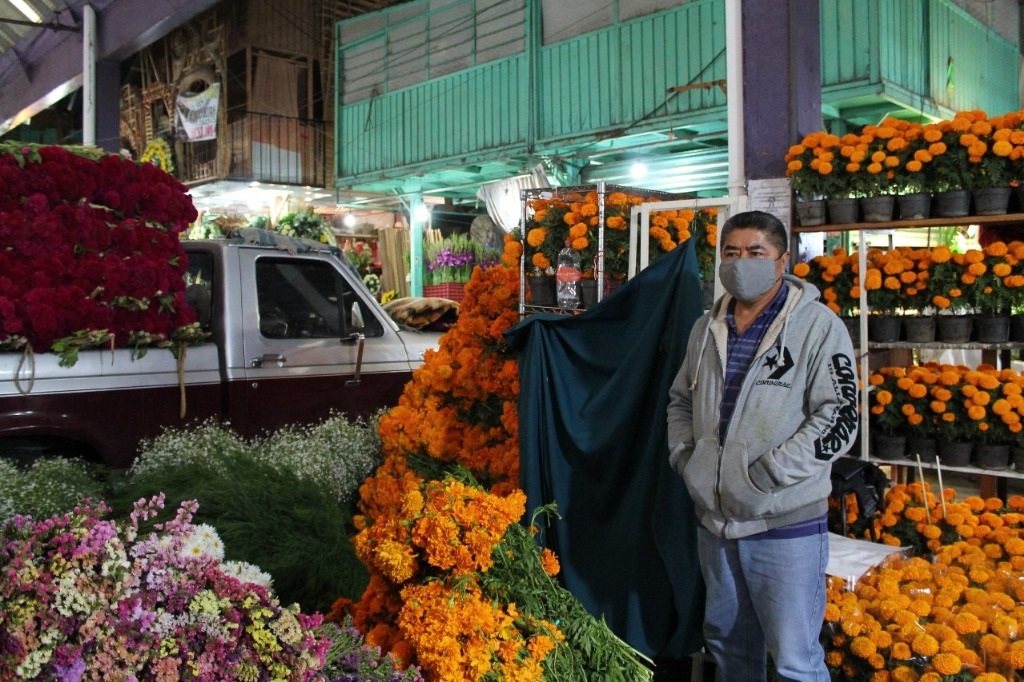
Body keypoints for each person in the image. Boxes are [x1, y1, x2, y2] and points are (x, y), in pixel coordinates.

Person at [666, 210, 858, 681]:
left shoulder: (817, 326)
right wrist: (688, 459)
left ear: (782, 260)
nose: (741, 262)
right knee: (731, 651)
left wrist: (767, 475)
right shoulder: (704, 328)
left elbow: (839, 416)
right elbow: (680, 402)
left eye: (756, 253)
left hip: (784, 524)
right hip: (715, 524)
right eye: (731, 253)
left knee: (795, 660)